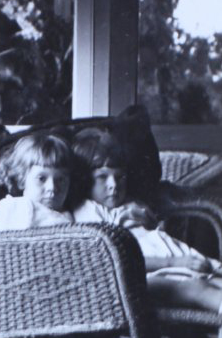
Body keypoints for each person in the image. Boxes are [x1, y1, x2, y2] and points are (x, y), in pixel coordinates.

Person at [72, 128, 222, 312]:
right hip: (153, 275)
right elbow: (116, 259)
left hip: (184, 264)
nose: (114, 185)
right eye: (102, 177)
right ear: (85, 180)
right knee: (201, 290)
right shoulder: (88, 211)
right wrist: (175, 263)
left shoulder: (129, 203)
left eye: (120, 177)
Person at [0, 134, 74, 230]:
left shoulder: (69, 212)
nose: (52, 187)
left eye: (61, 180)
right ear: (21, 180)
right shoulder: (19, 207)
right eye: (41, 179)